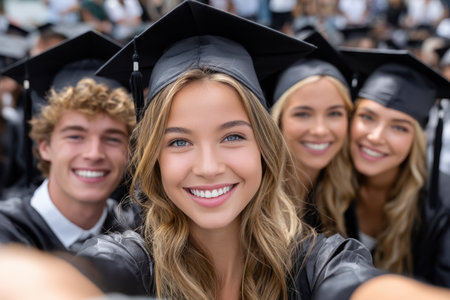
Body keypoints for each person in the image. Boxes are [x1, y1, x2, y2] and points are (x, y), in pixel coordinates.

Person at [1, 2, 449, 300]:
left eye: (233, 136)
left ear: (265, 148)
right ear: (152, 157)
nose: (209, 166)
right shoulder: (130, 258)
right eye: (178, 141)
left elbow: (362, 289)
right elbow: (78, 278)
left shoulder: (318, 260)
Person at [0, 30, 139, 252]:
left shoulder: (136, 231)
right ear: (44, 145)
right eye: (75, 136)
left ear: (129, 150)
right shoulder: (7, 234)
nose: (94, 153)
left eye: (112, 138)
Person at [340, 48, 450, 287]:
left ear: (417, 139)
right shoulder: (322, 185)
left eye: (399, 127)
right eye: (367, 117)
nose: (376, 137)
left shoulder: (442, 204)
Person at [269, 30, 354, 234]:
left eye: (334, 113)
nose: (320, 130)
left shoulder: (344, 190)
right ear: (278, 120)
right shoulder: (258, 201)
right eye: (303, 114)